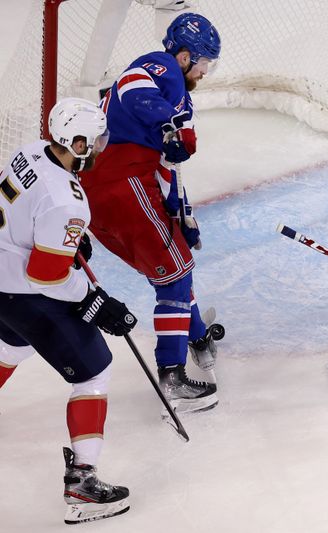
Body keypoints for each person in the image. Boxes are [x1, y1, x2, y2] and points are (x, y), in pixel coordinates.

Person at [0, 97, 137, 524]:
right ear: (76, 142)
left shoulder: (29, 151)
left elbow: (25, 211)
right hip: (24, 291)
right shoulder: (68, 203)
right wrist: (93, 301)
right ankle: (83, 483)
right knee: (95, 373)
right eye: (95, 140)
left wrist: (67, 241)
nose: (100, 146)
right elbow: (46, 275)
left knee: (11, 348)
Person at [79, 12, 223, 413]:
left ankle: (197, 339)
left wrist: (182, 215)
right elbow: (130, 87)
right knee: (176, 276)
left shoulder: (178, 94)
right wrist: (169, 127)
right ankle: (172, 377)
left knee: (173, 267)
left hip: (106, 195)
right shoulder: (159, 69)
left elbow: (169, 168)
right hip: (123, 187)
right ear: (183, 56)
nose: (206, 71)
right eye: (204, 62)